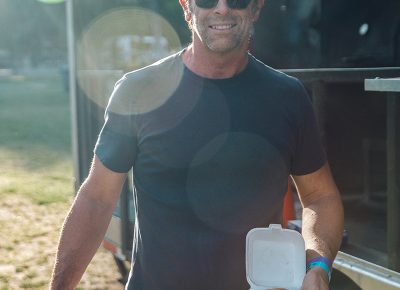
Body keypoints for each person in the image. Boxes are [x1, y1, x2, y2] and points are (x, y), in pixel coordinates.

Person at [50, 0, 344, 289]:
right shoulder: (139, 91)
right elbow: (96, 198)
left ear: (256, 7)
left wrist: (318, 267)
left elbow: (320, 197)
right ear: (186, 7)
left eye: (237, 0)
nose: (222, 8)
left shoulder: (287, 97)